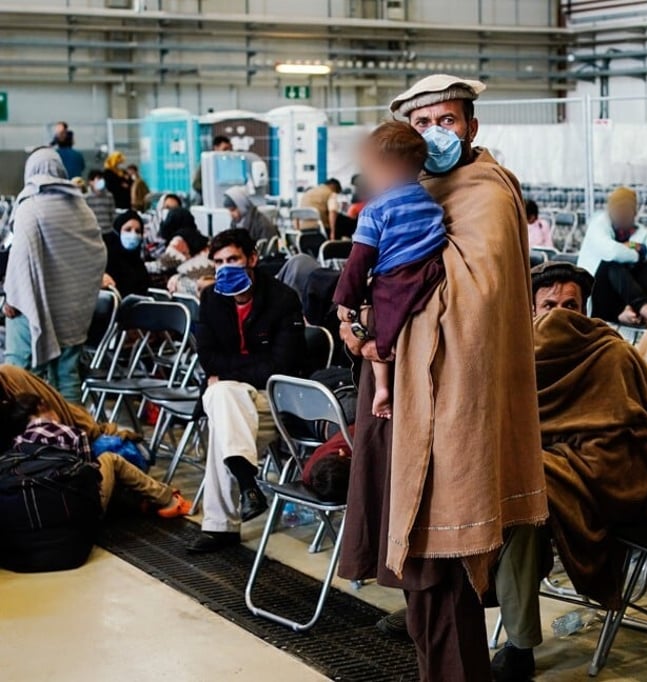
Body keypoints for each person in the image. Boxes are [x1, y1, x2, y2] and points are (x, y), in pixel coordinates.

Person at [336, 74, 547, 682]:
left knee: (443, 567)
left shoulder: (487, 192)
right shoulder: (415, 190)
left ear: (472, 126)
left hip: (453, 405)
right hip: (401, 395)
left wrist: (375, 308)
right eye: (422, 124)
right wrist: (366, 316)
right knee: (420, 579)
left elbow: (471, 299)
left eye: (447, 120)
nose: (435, 134)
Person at [489, 261, 647, 680]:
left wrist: (557, 460)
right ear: (531, 309)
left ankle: (520, 646)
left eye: (570, 306)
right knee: (484, 484)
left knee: (521, 502)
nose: (560, 314)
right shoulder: (515, 351)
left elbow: (645, 436)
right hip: (539, 467)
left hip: (600, 475)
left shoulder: (611, 353)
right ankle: (439, 604)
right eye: (549, 305)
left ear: (586, 310)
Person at [187, 229, 306, 553]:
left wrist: (226, 374)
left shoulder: (282, 299)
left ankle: (222, 525)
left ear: (252, 258)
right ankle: (246, 483)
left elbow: (280, 366)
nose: (226, 268)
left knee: (221, 404)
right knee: (223, 399)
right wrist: (233, 374)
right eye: (219, 262)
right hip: (233, 403)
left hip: (272, 399)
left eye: (233, 259)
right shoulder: (212, 299)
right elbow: (206, 357)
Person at [334, 121, 447, 420]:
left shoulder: (376, 209)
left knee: (380, 326)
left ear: (389, 168)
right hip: (431, 273)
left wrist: (346, 301)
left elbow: (359, 260)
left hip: (394, 279)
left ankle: (383, 386)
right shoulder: (429, 200)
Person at [3, 148, 106, 404]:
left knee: (23, 378)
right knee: (67, 377)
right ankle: (71, 427)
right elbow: (97, 254)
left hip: (32, 308)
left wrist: (12, 297)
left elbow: (21, 258)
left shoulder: (30, 206)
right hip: (72, 314)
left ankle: (25, 429)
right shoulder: (81, 208)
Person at [7, 389, 190, 518]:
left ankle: (141, 501)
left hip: (43, 510)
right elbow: (90, 475)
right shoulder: (72, 434)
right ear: (42, 406)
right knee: (110, 460)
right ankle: (168, 499)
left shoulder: (18, 442)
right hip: (77, 509)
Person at [578, 186, 647, 326]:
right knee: (612, 264)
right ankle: (644, 310)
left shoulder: (638, 232)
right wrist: (637, 256)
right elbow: (612, 253)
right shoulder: (598, 225)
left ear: (634, 213)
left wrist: (637, 247)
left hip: (624, 298)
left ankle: (632, 310)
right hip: (597, 294)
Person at [103, 210, 151, 298]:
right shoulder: (104, 260)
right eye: (128, 229)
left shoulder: (139, 265)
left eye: (138, 231)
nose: (133, 235)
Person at [192, 134, 233, 199]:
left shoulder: (231, 164)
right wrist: (212, 189)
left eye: (230, 149)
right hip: (206, 199)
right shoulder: (207, 163)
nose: (228, 152)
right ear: (216, 148)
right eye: (225, 149)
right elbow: (196, 184)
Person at [84, 169, 116, 233]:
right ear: (91, 182)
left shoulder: (109, 196)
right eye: (98, 179)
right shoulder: (86, 197)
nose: (101, 181)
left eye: (102, 178)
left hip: (108, 230)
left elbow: (112, 213)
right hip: (93, 231)